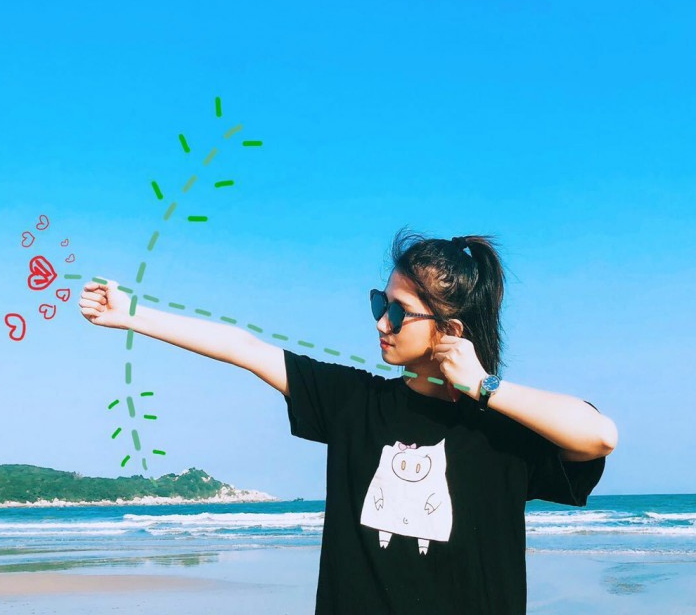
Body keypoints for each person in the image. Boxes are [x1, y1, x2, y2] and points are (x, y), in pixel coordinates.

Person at [78, 228, 617, 615]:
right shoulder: (355, 403)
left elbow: (600, 436)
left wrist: (484, 387)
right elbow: (246, 349)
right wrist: (131, 316)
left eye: (398, 311)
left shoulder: (502, 430)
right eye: (380, 302)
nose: (382, 321)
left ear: (449, 330)